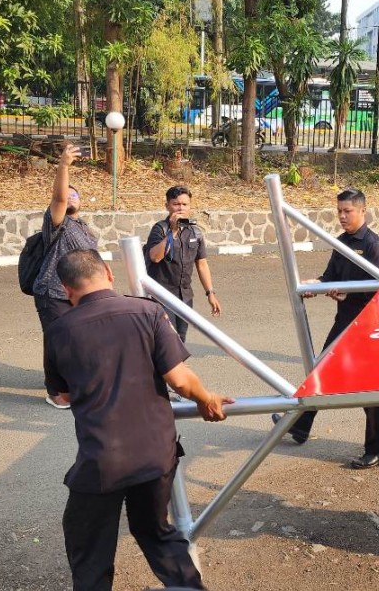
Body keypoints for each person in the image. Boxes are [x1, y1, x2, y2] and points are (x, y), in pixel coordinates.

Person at [44, 249, 232, 591]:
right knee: (156, 532)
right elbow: (179, 378)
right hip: (156, 454)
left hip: (103, 462)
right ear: (108, 274)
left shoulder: (60, 331)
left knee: (89, 549)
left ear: (66, 289)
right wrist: (207, 399)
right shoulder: (147, 311)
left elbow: (64, 395)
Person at [273, 189, 379, 469]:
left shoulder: (376, 247)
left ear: (363, 211)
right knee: (320, 371)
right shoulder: (340, 241)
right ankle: (302, 425)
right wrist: (316, 285)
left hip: (366, 328)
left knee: (368, 391)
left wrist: (347, 295)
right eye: (339, 211)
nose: (341, 216)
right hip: (344, 322)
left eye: (347, 211)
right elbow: (331, 277)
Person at [33, 143, 97, 409]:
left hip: (77, 295)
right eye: (66, 193)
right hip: (53, 292)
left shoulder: (85, 229)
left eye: (74, 195)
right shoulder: (57, 223)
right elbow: (58, 198)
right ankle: (56, 391)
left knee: (78, 339)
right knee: (58, 340)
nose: (69, 197)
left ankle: (76, 382)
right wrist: (63, 166)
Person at [145, 186, 221, 343]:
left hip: (185, 296)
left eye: (185, 204)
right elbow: (155, 257)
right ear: (167, 206)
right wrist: (173, 232)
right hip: (162, 297)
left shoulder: (195, 232)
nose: (180, 208)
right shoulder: (160, 229)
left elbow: (202, 264)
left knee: (180, 339)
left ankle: (177, 367)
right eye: (176, 204)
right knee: (166, 340)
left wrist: (210, 293)